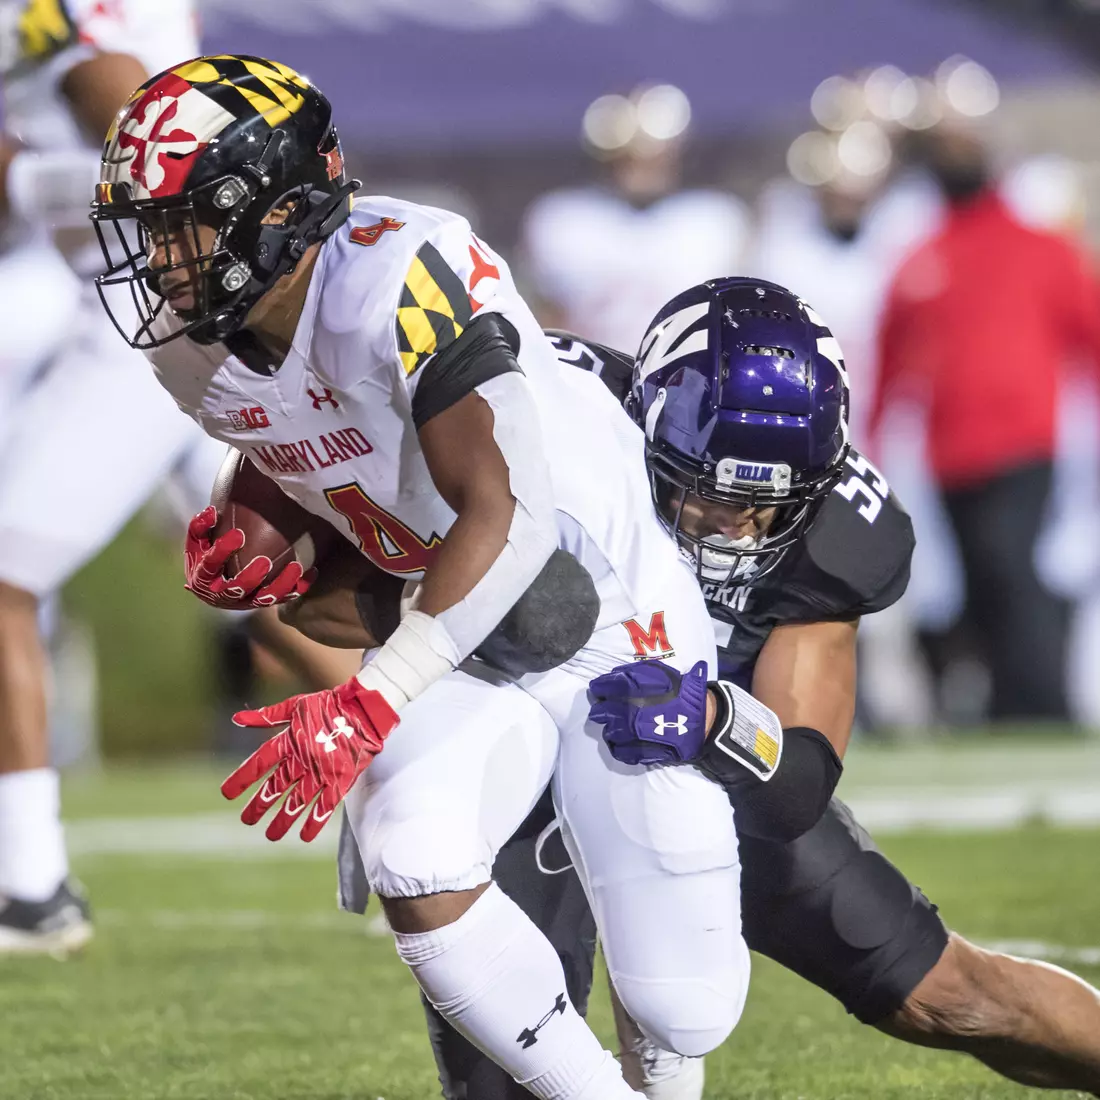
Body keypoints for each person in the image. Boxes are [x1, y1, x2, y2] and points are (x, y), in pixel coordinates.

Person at [89, 55, 804, 1100]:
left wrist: (368, 699)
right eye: (149, 230)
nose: (161, 260)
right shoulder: (191, 349)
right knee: (411, 848)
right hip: (462, 621)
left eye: (182, 225)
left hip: (604, 601)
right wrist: (256, 513)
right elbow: (298, 423)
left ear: (275, 209)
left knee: (680, 1000)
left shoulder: (398, 271)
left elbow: (507, 517)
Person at [302, 283, 1100, 1100]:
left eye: (768, 502)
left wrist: (717, 720)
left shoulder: (837, 535)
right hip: (521, 749)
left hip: (706, 769)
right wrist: (457, 613)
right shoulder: (557, 417)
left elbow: (796, 782)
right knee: (505, 1083)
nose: (739, 522)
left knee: (950, 997)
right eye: (714, 490)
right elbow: (322, 596)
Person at [0, 0, 207, 955]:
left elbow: (158, 154)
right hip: (158, 309)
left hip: (146, 314)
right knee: (283, 600)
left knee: (2, 579)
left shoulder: (75, 23)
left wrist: (27, 178)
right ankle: (444, 815)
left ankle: (29, 887)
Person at [870, 120, 1100, 721]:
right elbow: (893, 353)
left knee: (1010, 565)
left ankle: (1041, 704)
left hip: (1023, 440)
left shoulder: (1040, 247)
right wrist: (872, 432)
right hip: (950, 451)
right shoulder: (923, 256)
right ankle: (1005, 702)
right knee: (980, 578)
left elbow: (1090, 330)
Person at [519, 83, 747, 353]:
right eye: (629, 155)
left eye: (650, 153)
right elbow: (548, 324)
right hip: (592, 372)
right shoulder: (563, 219)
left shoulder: (714, 220)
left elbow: (739, 321)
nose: (641, 165)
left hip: (691, 373)